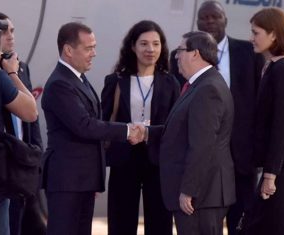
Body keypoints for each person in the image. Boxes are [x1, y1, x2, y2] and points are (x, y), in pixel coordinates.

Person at [170, 1, 264, 233]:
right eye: (204, 17)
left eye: (215, 17)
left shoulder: (248, 53)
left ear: (225, 20)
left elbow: (259, 103)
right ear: (197, 21)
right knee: (205, 219)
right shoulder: (181, 58)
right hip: (201, 155)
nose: (210, 21)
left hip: (241, 155)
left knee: (241, 220)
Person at [41, 22, 143, 235]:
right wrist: (127, 130)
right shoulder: (60, 83)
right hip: (67, 182)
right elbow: (84, 125)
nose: (94, 53)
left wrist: (93, 176)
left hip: (82, 181)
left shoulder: (77, 78)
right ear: (68, 50)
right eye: (88, 48)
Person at [147, 30, 235, 235]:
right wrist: (147, 133)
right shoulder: (201, 84)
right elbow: (184, 130)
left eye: (181, 50)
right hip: (203, 193)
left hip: (201, 195)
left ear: (195, 53)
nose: (176, 56)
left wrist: (189, 190)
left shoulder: (207, 89)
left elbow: (202, 145)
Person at [101, 20, 180, 235]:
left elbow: (175, 127)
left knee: (160, 223)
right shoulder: (115, 81)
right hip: (124, 159)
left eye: (156, 44)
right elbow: (103, 123)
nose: (150, 50)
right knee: (121, 222)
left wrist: (148, 133)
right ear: (133, 47)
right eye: (144, 44)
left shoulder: (170, 82)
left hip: (159, 161)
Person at [0, 12, 45, 235]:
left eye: (13, 31)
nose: (10, 36)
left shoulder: (20, 67)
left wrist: (34, 156)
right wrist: (11, 74)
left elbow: (30, 125)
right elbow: (30, 111)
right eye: (3, 30)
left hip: (14, 166)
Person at [248, 7, 284, 235]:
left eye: (256, 32)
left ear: (275, 35)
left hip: (283, 167)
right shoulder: (274, 68)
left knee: (279, 227)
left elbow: (283, 125)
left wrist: (270, 174)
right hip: (278, 166)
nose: (251, 38)